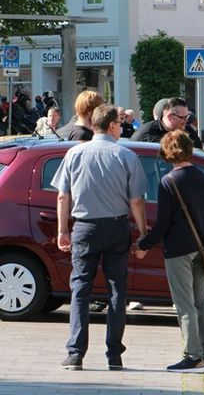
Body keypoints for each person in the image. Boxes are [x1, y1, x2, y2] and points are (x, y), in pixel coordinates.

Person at [52, 104, 147, 371]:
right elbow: (137, 200)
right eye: (119, 123)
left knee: (81, 289)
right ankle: (114, 354)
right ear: (114, 126)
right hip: (117, 227)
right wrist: (143, 232)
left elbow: (62, 196)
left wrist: (62, 229)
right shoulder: (126, 156)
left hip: (84, 227)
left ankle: (75, 353)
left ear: (93, 126)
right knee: (118, 290)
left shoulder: (74, 154)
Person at [135, 130, 204, 373]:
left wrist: (144, 245)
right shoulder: (202, 177)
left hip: (178, 249)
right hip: (203, 247)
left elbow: (163, 224)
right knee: (203, 303)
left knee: (184, 304)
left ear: (167, 152)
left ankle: (193, 356)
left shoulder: (169, 181)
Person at [131, 97, 200, 149]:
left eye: (187, 117)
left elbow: (199, 156)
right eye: (183, 118)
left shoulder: (189, 133)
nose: (186, 121)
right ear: (170, 117)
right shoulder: (146, 134)